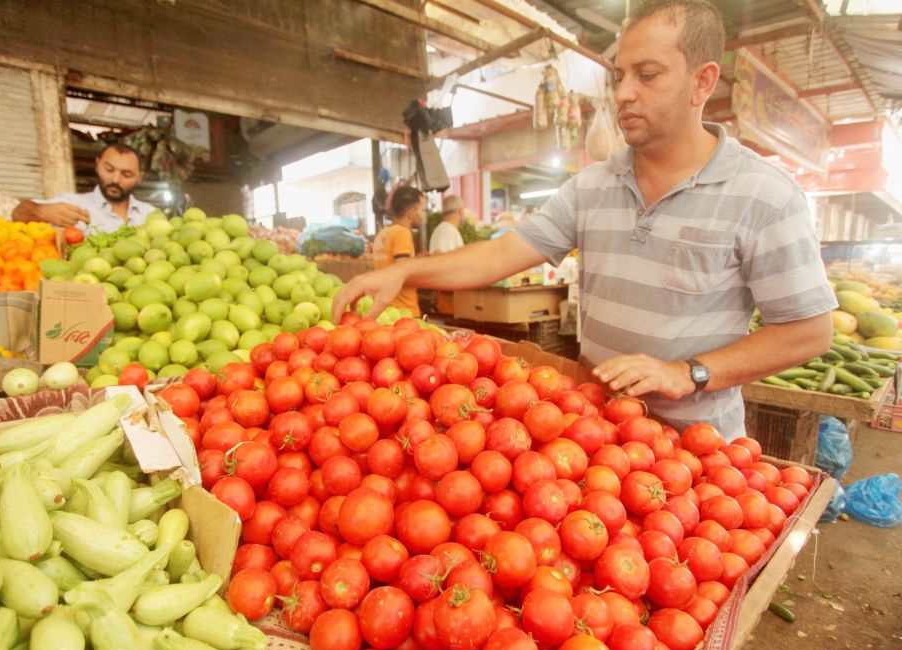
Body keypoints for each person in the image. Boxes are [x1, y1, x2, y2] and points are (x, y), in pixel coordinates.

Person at [333, 0, 835, 440]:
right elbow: (500, 254)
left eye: (648, 74)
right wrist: (404, 270)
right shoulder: (593, 186)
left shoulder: (764, 194)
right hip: (593, 434)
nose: (623, 93)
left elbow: (810, 331)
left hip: (693, 455)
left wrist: (690, 372)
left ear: (702, 81)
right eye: (620, 76)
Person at [12, 143, 157, 234]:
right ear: (97, 165)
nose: (115, 179)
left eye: (126, 174)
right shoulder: (72, 203)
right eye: (109, 169)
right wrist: (41, 211)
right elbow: (18, 213)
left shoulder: (150, 214)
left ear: (140, 177)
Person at [371, 185, 423, 317]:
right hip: (405, 311)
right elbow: (403, 271)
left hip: (388, 311)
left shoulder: (383, 234)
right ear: (411, 213)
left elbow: (391, 264)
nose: (423, 215)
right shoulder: (402, 233)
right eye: (422, 209)